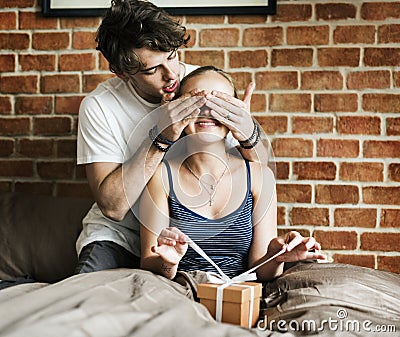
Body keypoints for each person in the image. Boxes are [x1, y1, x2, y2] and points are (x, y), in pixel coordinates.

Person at [75, 0, 267, 273]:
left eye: (173, 55)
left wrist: (248, 133)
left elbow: (261, 168)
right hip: (118, 238)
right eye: (153, 70)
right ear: (122, 72)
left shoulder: (198, 82)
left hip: (182, 239)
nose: (171, 74)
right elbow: (114, 207)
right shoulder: (100, 107)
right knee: (87, 304)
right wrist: (160, 137)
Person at [139, 66, 326, 282]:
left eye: (220, 104)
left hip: (241, 296)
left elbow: (261, 272)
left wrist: (276, 256)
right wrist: (168, 263)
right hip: (181, 291)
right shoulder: (160, 177)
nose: (207, 111)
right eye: (195, 102)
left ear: (238, 114)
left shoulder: (259, 177)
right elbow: (149, 261)